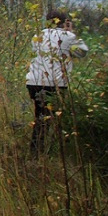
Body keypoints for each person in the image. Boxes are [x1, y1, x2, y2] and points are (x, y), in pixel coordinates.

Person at [25, 9, 89, 152]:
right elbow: (83, 52)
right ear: (64, 21)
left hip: (34, 82)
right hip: (55, 84)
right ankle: (47, 151)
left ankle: (37, 150)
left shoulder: (37, 35)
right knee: (53, 118)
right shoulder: (67, 36)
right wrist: (72, 33)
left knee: (41, 116)